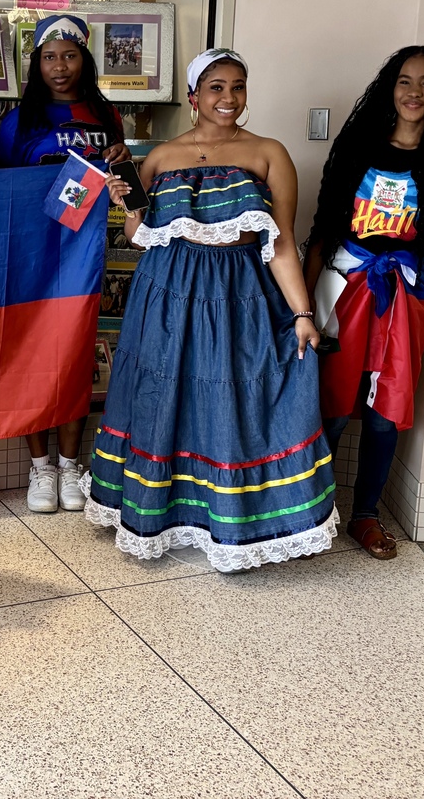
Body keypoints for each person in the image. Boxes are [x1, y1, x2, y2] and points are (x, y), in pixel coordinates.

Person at [84, 48, 338, 571]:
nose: (229, 98)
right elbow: (140, 236)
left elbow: (283, 241)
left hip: (240, 294)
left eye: (239, 86)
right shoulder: (159, 158)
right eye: (217, 87)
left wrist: (302, 314)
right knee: (165, 397)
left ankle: (234, 520)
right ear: (195, 96)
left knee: (235, 401)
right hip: (168, 293)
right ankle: (167, 515)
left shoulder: (269, 153)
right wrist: (126, 202)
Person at [304, 46, 424, 559]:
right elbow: (323, 228)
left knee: (385, 411)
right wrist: (300, 305)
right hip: (345, 286)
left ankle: (365, 516)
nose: (414, 92)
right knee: (333, 407)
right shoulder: (360, 145)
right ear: (390, 86)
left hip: (406, 293)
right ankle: (313, 514)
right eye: (405, 81)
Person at [0, 14, 131, 513]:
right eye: (49, 56)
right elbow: (1, 191)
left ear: (85, 59)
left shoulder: (105, 114)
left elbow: (120, 181)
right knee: (33, 354)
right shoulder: (17, 122)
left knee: (76, 354)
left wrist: (121, 155)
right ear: (36, 62)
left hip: (86, 258)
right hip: (34, 256)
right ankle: (40, 467)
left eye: (69, 55)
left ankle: (72, 463)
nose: (59, 66)